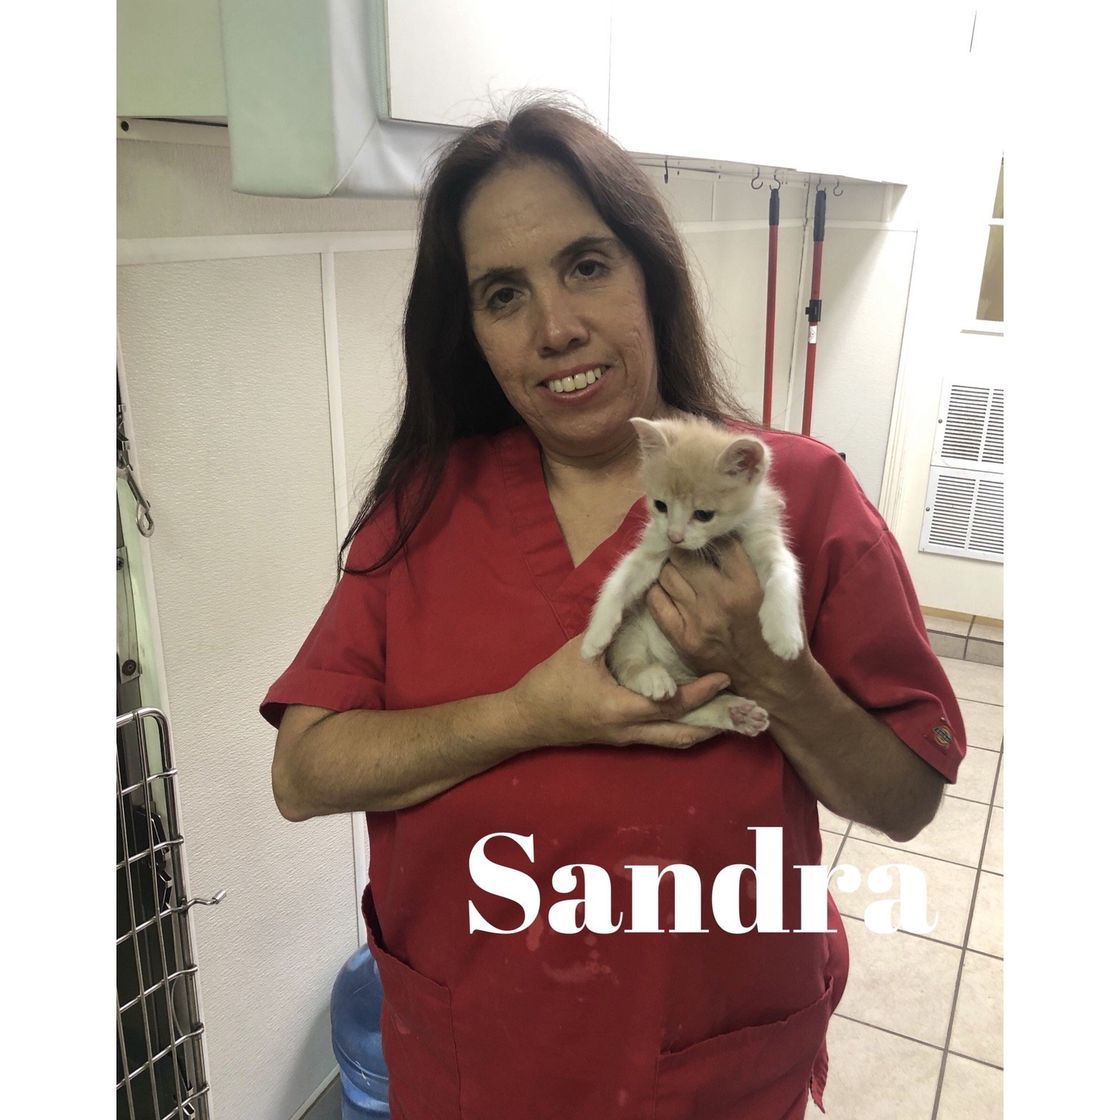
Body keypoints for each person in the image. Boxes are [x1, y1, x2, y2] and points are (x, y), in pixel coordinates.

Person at [261, 98, 965, 1120]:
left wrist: (773, 671)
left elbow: (905, 797)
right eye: (504, 294)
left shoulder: (802, 498)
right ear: (470, 330)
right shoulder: (423, 509)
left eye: (586, 265)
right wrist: (529, 713)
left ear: (648, 272)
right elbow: (302, 771)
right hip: (475, 1066)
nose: (556, 327)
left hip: (701, 1076)